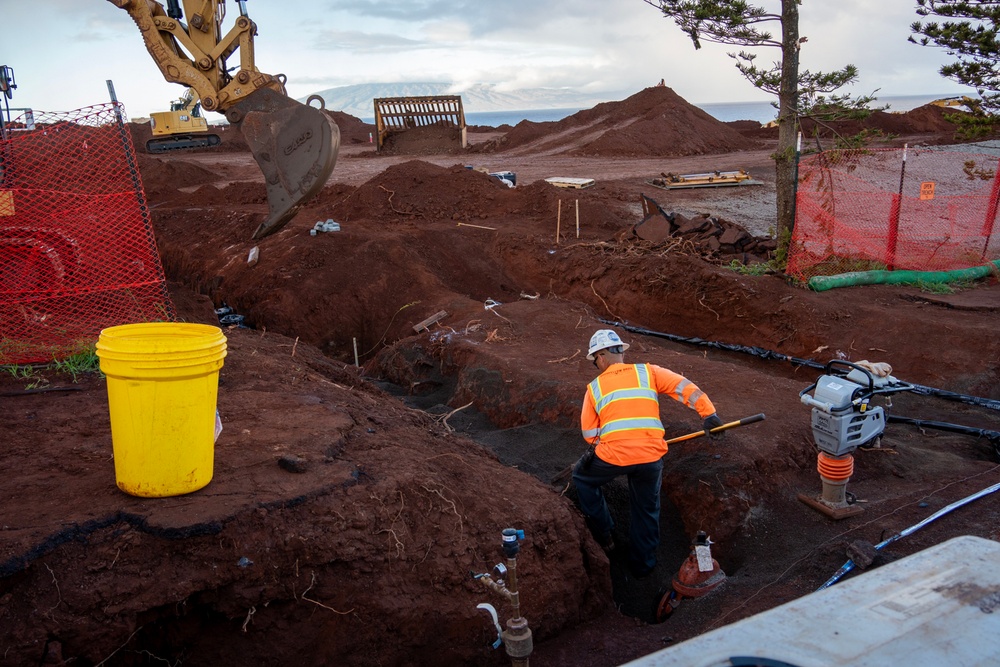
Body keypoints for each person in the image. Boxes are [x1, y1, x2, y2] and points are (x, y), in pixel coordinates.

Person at [572, 329, 723, 578]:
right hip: (651, 456)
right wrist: (709, 415)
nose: (596, 365)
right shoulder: (648, 372)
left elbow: (589, 434)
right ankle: (644, 567)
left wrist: (612, 441)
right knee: (646, 509)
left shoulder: (594, 387)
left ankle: (605, 532)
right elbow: (684, 387)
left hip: (613, 456)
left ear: (601, 355)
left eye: (595, 360)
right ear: (619, 351)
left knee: (582, 478)